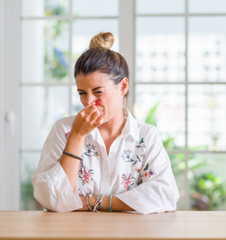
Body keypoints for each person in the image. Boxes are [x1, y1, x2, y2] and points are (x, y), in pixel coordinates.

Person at [31, 32, 180, 214]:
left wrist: (94, 202)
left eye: (98, 92)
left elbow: (165, 195)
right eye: (82, 93)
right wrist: (76, 137)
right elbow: (50, 199)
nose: (89, 102)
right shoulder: (64, 130)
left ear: (123, 87)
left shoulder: (146, 136)